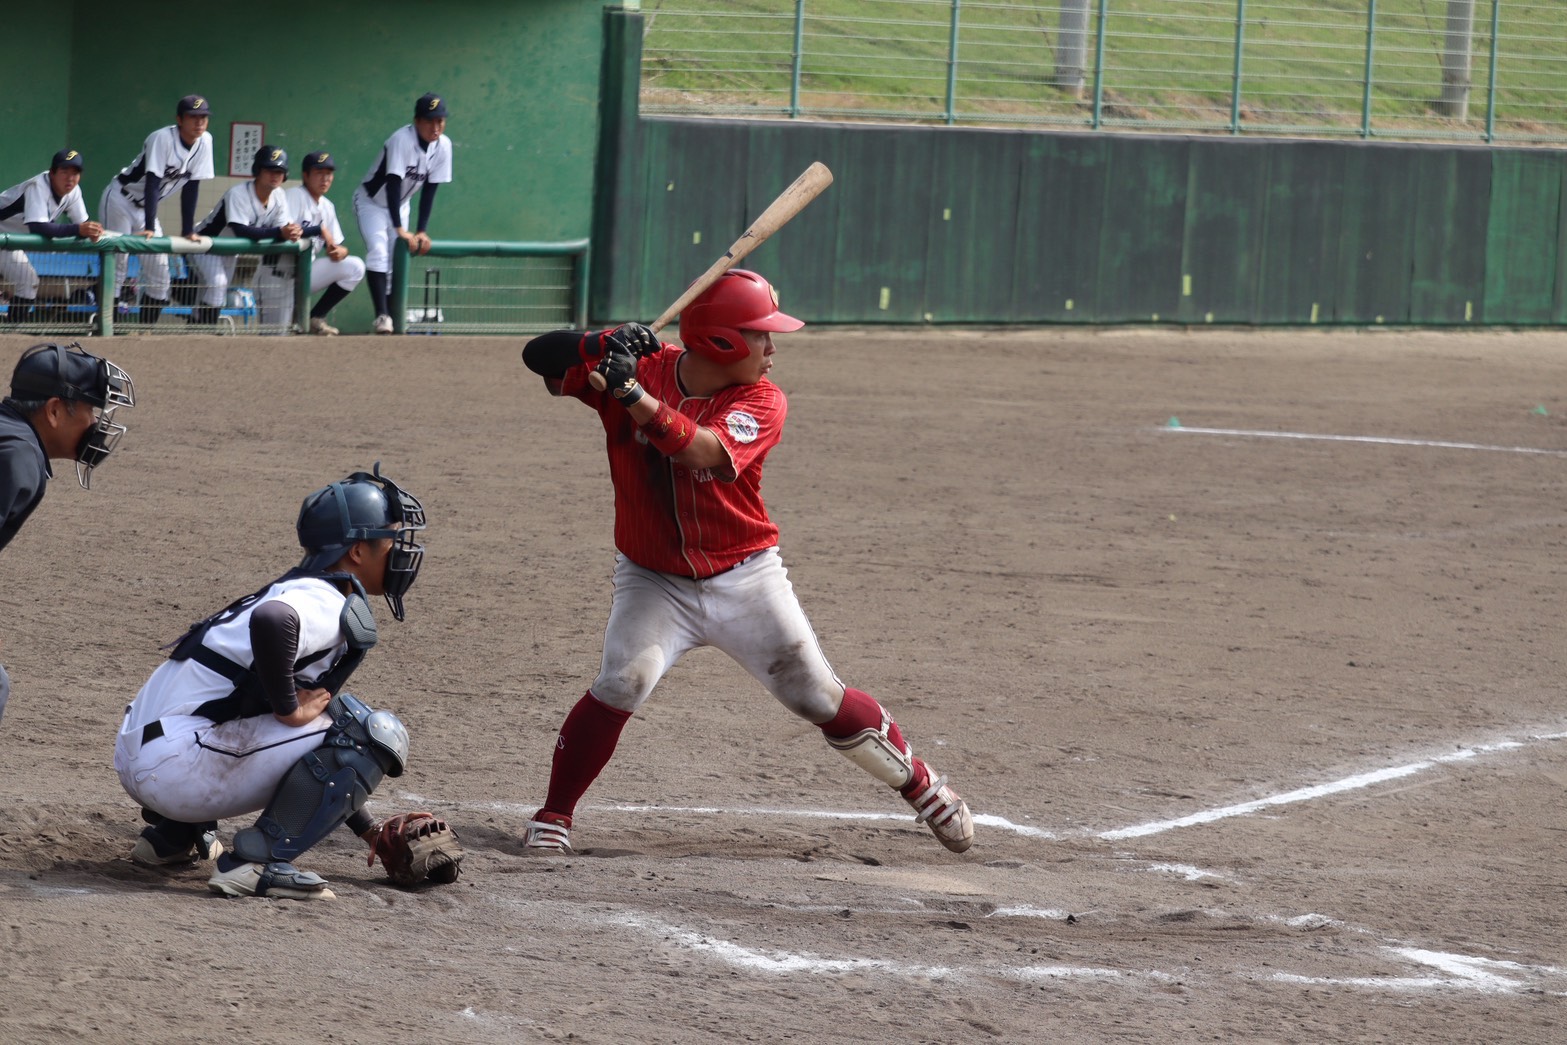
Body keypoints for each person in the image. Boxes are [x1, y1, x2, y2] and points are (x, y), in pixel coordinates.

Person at [517, 270, 975, 856]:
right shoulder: (640, 367)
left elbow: (700, 450)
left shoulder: (761, 399)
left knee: (815, 695)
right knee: (622, 682)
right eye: (761, 334)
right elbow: (538, 358)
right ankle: (554, 815)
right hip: (653, 579)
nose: (772, 349)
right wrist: (599, 343)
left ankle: (922, 785)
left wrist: (632, 395)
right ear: (723, 341)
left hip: (744, 575)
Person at [113, 465, 430, 900]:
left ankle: (171, 837)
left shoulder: (296, 588)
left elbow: (305, 746)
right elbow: (273, 621)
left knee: (327, 715)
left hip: (144, 755)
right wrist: (289, 709)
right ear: (358, 551)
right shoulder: (322, 601)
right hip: (176, 768)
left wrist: (369, 830)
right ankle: (254, 863)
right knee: (366, 732)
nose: (400, 550)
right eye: (392, 538)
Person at [1, 342, 135, 724]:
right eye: (92, 410)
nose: (97, 424)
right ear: (55, 411)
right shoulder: (18, 455)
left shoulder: (11, 437)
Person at [99, 94, 215, 325]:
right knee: (118, 266)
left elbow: (192, 186)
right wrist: (150, 226)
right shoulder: (162, 138)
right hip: (120, 200)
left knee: (161, 276)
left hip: (144, 209)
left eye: (203, 117)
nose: (199, 122)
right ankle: (107, 332)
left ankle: (144, 332)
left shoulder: (205, 141)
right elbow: (152, 183)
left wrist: (187, 230)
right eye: (193, 117)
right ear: (179, 120)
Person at [352, 92, 453, 334]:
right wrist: (399, 229)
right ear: (417, 121)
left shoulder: (444, 146)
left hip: (401, 205)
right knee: (379, 252)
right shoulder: (401, 139)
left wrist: (421, 230)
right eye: (429, 121)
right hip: (372, 203)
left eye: (440, 121)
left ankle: (393, 315)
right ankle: (382, 316)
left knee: (395, 260)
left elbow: (430, 189)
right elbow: (393, 184)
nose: (435, 127)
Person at [188, 145, 302, 330]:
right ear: (257, 170)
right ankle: (206, 334)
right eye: (269, 169)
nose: (274, 175)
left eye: (279, 171)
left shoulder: (279, 196)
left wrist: (292, 231)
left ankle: (194, 331)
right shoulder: (238, 193)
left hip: (229, 250)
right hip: (205, 244)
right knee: (218, 285)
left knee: (212, 292)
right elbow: (242, 231)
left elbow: (282, 228)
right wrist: (281, 232)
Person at [0, 149, 103, 323]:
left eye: (75, 173)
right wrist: (79, 230)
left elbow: (83, 223)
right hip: (3, 237)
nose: (70, 178)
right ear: (52, 173)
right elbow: (38, 227)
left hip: (7, 241)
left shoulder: (73, 192)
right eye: (64, 171)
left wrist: (93, 230)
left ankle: (12, 332)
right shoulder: (38, 186)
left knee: (28, 281)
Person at [285, 151, 365, 336]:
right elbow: (287, 231)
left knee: (355, 266)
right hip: (279, 275)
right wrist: (320, 230)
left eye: (328, 173)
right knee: (278, 334)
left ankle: (316, 316)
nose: (325, 178)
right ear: (305, 175)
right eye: (319, 173)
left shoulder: (327, 206)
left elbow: (335, 245)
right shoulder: (294, 195)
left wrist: (340, 251)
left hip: (305, 274)